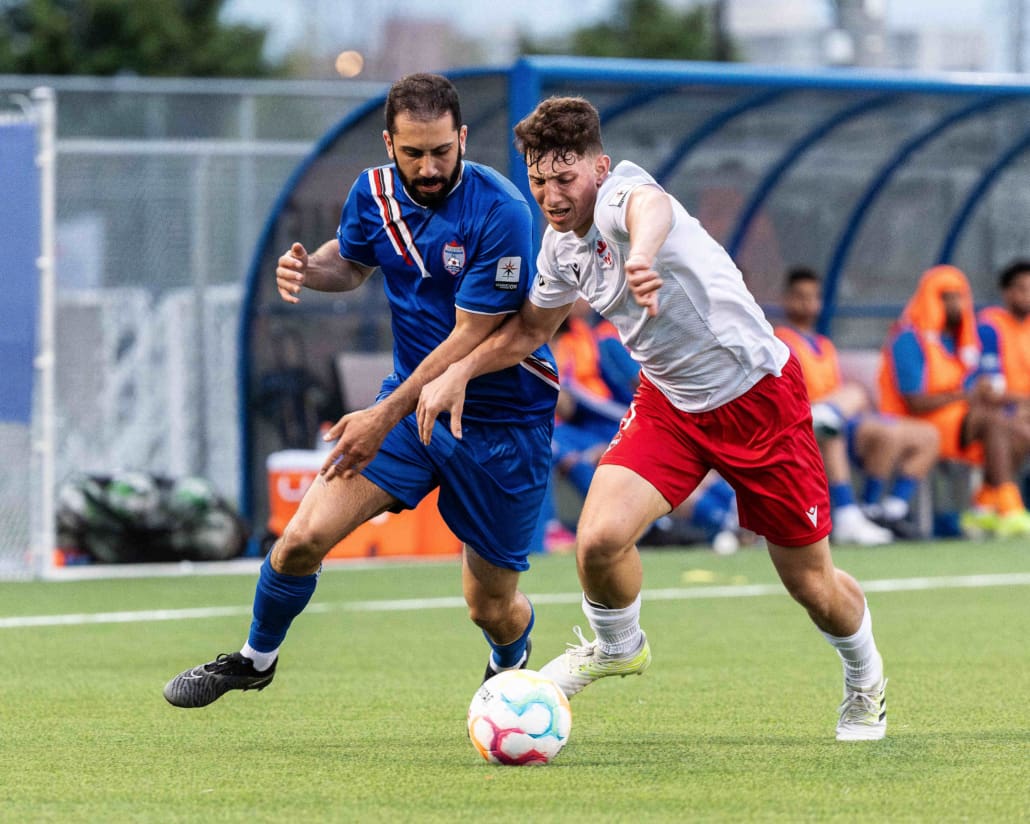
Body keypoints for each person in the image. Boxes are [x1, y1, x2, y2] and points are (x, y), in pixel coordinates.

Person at [418, 96, 888, 741]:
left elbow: (650, 208)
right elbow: (528, 329)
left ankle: (865, 682)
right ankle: (618, 645)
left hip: (759, 400)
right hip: (669, 403)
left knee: (813, 586)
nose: (551, 196)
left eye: (564, 178)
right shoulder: (559, 249)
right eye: (537, 181)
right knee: (599, 541)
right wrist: (457, 372)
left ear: (599, 168)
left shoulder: (625, 195)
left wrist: (641, 254)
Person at [163, 73, 559, 708]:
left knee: (490, 605)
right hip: (408, 408)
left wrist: (379, 415)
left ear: (462, 138)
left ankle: (508, 662)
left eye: (441, 151)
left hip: (501, 422)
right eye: (413, 153)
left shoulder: (503, 210)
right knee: (299, 540)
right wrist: (310, 267)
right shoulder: (371, 193)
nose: (428, 167)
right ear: (388, 144)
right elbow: (351, 262)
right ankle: (254, 659)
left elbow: (471, 335)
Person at [775, 267, 940, 542]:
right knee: (850, 408)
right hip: (801, 422)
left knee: (925, 435)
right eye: (800, 297)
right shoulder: (779, 340)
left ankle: (883, 511)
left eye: (813, 297)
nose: (808, 303)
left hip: (835, 416)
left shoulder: (824, 344)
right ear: (787, 300)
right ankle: (854, 513)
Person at [878, 264, 1030, 538]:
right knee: (995, 420)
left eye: (961, 295)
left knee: (1019, 430)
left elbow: (973, 385)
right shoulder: (909, 339)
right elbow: (915, 402)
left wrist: (980, 392)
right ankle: (1008, 506)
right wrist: (967, 395)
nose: (956, 304)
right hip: (919, 421)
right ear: (928, 297)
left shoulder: (958, 340)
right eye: (947, 296)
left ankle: (983, 506)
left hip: (958, 420)